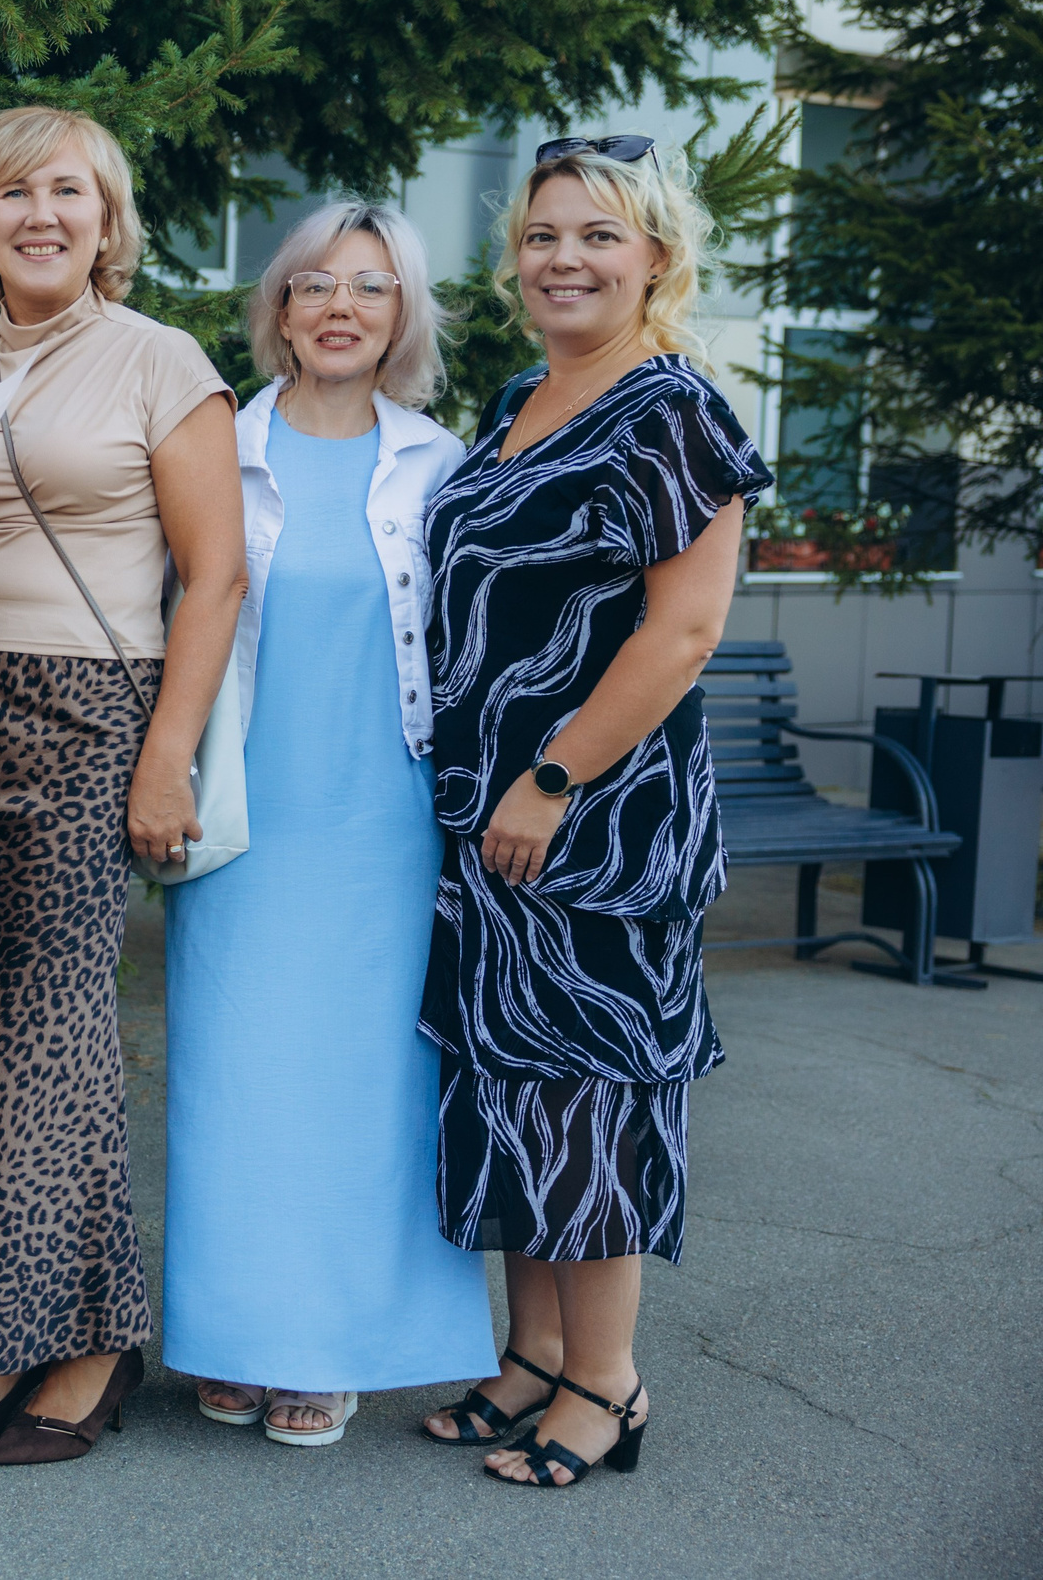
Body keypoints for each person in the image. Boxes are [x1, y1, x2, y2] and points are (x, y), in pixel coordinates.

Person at [414, 135, 769, 1487]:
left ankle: (607, 1383)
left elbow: (682, 632)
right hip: (488, 821)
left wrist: (555, 777)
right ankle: (533, 1355)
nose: (567, 258)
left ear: (657, 261)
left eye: (599, 237)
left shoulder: (672, 409)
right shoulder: (521, 399)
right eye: (546, 235)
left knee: (597, 1093)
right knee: (512, 1085)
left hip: (597, 824)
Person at [0, 106, 241, 1466]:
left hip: (90, 708)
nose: (38, 213)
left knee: (57, 1031)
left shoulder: (163, 361)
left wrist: (166, 752)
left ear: (106, 218)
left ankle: (91, 1340)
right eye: (8, 194)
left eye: (66, 190)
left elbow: (214, 573)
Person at [160, 200, 495, 1447]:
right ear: (278, 311)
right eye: (314, 285)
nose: (340, 306)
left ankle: (339, 1342)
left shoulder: (443, 461)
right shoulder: (212, 444)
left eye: (370, 285)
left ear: (401, 313)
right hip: (245, 813)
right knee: (238, 1077)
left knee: (366, 1086)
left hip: (388, 823)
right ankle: (239, 1337)